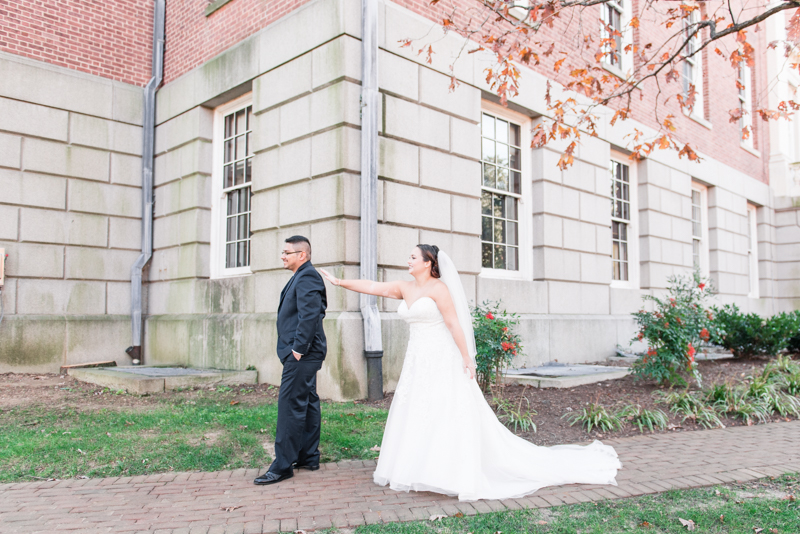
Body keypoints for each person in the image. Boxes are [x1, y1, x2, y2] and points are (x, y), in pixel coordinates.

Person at [319, 244, 621, 501]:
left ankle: (452, 471)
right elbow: (372, 287)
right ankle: (419, 467)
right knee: (419, 409)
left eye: (413, 257)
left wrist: (467, 358)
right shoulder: (405, 287)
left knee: (446, 409)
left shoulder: (440, 289)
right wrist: (339, 281)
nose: (408, 261)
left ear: (428, 263)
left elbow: (453, 324)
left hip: (442, 356)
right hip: (417, 359)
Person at [254, 236, 327, 486]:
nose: (283, 256)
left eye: (287, 252)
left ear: (302, 255)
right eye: (283, 252)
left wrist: (298, 349)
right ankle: (308, 456)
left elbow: (311, 315)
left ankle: (282, 466)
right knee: (307, 401)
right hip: (305, 353)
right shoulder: (302, 275)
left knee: (289, 405)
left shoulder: (307, 276)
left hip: (303, 354)